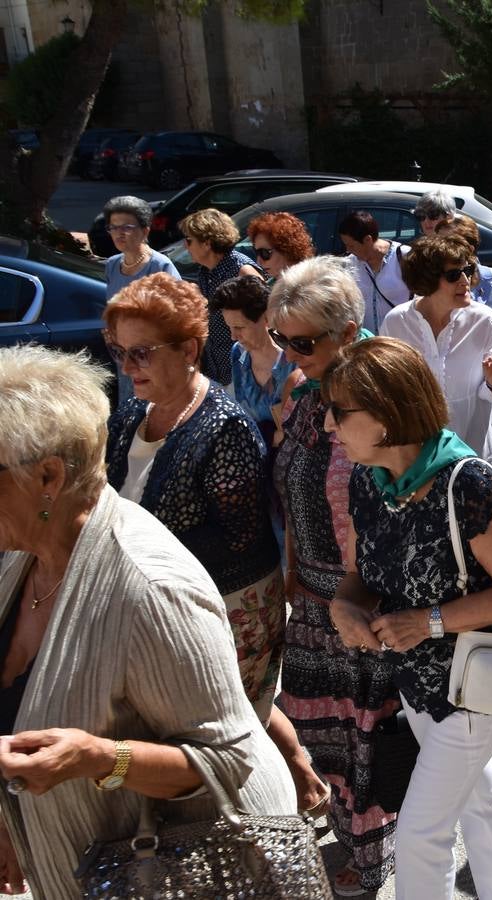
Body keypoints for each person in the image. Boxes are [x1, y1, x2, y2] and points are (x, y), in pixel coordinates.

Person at [0, 345, 298, 899]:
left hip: (189, 876)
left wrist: (98, 758)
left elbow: (228, 759)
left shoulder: (150, 588)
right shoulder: (23, 555)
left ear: (47, 476)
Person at [101, 273, 328, 821]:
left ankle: (263, 821)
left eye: (141, 353)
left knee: (229, 721)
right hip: (152, 603)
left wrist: (135, 552)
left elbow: (239, 541)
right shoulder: (133, 411)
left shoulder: (224, 427)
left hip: (227, 606)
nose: (128, 367)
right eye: (119, 352)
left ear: (190, 350)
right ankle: (298, 772)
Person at [324, 338, 492, 900]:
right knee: (476, 793)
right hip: (414, 679)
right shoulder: (370, 481)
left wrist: (429, 621)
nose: (328, 424)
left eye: (340, 411)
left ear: (388, 414)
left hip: (473, 684)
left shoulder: (467, 482)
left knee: (421, 831)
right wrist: (343, 604)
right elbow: (361, 574)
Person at [268, 256, 398, 895]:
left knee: (364, 737)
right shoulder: (305, 391)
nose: (292, 352)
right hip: (313, 593)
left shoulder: (381, 392)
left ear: (348, 332)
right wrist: (294, 567)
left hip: (364, 600)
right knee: (323, 727)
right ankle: (350, 832)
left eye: (304, 341)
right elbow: (294, 483)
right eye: (281, 339)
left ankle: (371, 859)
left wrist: (362, 596)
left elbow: (399, 505)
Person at [381, 235, 492, 500]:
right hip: (421, 454)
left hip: (476, 449)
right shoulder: (396, 323)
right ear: (427, 280)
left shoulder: (484, 320)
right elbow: (390, 391)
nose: (465, 280)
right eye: (453, 275)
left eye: (467, 270)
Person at [210, 274, 298, 551]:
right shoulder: (238, 354)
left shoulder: (294, 359)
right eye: (230, 328)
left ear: (266, 318)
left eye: (241, 327)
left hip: (290, 478)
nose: (234, 336)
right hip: (258, 475)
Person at [102, 194, 181, 405]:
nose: (119, 233)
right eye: (113, 227)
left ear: (145, 230)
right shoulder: (111, 265)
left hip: (152, 358)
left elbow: (178, 315)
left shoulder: (160, 266)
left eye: (126, 227)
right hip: (123, 356)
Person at [179, 207, 263, 387]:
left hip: (242, 372)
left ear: (207, 243)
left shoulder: (242, 270)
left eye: (189, 240)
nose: (185, 246)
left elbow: (263, 320)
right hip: (215, 371)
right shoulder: (205, 271)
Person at [339, 210, 411, 334]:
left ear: (368, 240)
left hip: (403, 342)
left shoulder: (404, 256)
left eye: (352, 246)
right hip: (369, 345)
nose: (348, 250)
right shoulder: (349, 265)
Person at [435, 215, 492, 309]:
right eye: (438, 241)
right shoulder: (430, 282)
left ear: (470, 248)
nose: (442, 248)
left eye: (451, 243)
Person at [246, 210, 316, 282]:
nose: (259, 262)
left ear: (287, 249)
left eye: (264, 253)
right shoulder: (270, 286)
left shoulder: (314, 285)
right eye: (256, 252)